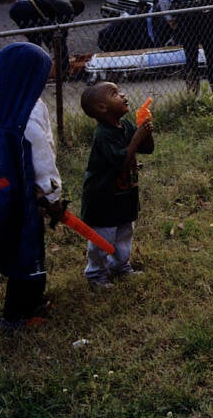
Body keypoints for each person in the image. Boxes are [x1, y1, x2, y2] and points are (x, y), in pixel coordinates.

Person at [0, 42, 65, 332]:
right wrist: (53, 195)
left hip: (5, 191)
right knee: (27, 252)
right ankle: (18, 315)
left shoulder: (3, 101)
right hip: (25, 198)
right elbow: (42, 162)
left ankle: (28, 303)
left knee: (14, 246)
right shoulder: (26, 116)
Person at [79, 81, 154, 291]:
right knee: (102, 239)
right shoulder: (103, 134)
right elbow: (121, 160)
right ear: (102, 108)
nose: (123, 95)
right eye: (115, 93)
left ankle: (120, 266)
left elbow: (147, 149)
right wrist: (137, 137)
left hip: (123, 195)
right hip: (103, 198)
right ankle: (96, 274)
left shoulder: (127, 125)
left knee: (124, 232)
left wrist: (146, 131)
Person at [8, 0, 85, 76]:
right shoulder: (68, 9)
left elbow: (48, 26)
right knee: (40, 41)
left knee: (35, 39)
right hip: (27, 8)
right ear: (77, 10)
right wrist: (58, 48)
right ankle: (62, 69)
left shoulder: (61, 1)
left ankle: (35, 66)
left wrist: (50, 41)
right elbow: (62, 33)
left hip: (18, 5)